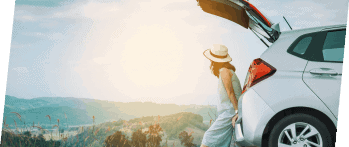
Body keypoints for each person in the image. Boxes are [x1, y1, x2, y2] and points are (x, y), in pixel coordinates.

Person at [201, 44, 242, 147]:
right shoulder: (226, 70)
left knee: (208, 137)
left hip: (229, 112)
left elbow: (230, 92)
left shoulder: (224, 71)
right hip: (230, 111)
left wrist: (237, 112)